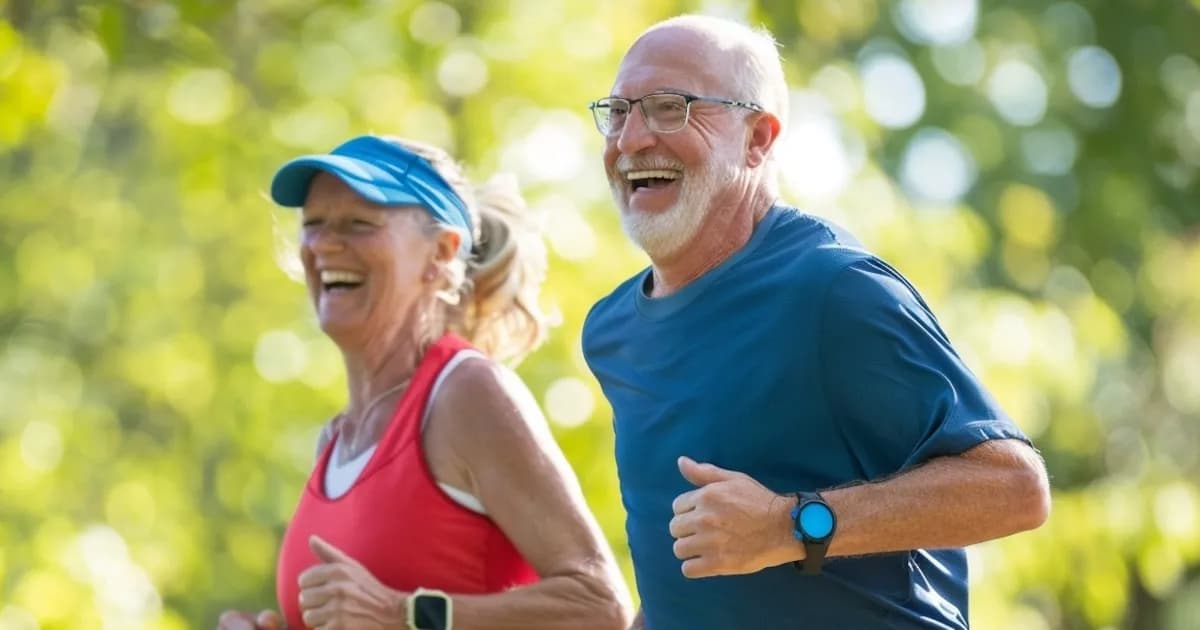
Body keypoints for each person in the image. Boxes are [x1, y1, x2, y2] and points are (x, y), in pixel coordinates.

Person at [581, 15, 1051, 630]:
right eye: (618, 112)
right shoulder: (613, 330)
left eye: (671, 108)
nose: (633, 138)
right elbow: (693, 569)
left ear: (758, 139)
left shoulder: (835, 290)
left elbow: (1015, 489)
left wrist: (788, 525)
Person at [219, 135, 633, 630]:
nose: (325, 244)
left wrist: (406, 612)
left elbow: (600, 606)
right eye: (314, 225)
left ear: (441, 252)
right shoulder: (337, 440)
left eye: (358, 224)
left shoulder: (467, 394)